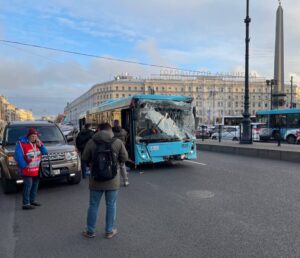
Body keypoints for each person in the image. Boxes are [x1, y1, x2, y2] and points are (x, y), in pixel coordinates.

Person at [82, 123, 128, 239]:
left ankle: (90, 231)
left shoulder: (91, 142)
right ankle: (109, 231)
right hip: (112, 179)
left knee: (93, 205)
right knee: (111, 205)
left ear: (98, 130)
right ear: (110, 130)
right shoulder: (117, 142)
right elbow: (124, 158)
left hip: (95, 179)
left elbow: (84, 158)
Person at [14, 128, 48, 210]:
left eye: (35, 136)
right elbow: (18, 156)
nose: (34, 138)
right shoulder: (21, 144)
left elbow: (45, 152)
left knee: (35, 185)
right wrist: (24, 166)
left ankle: (32, 200)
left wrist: (41, 146)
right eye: (32, 136)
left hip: (36, 169)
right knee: (28, 185)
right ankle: (26, 203)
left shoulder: (37, 143)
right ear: (28, 136)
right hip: (27, 169)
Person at [112, 120, 129, 186]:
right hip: (122, 149)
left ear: (114, 124)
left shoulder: (112, 132)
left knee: (116, 167)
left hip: (114, 150)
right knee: (123, 166)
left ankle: (117, 181)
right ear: (119, 123)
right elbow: (127, 136)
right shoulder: (123, 131)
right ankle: (125, 181)